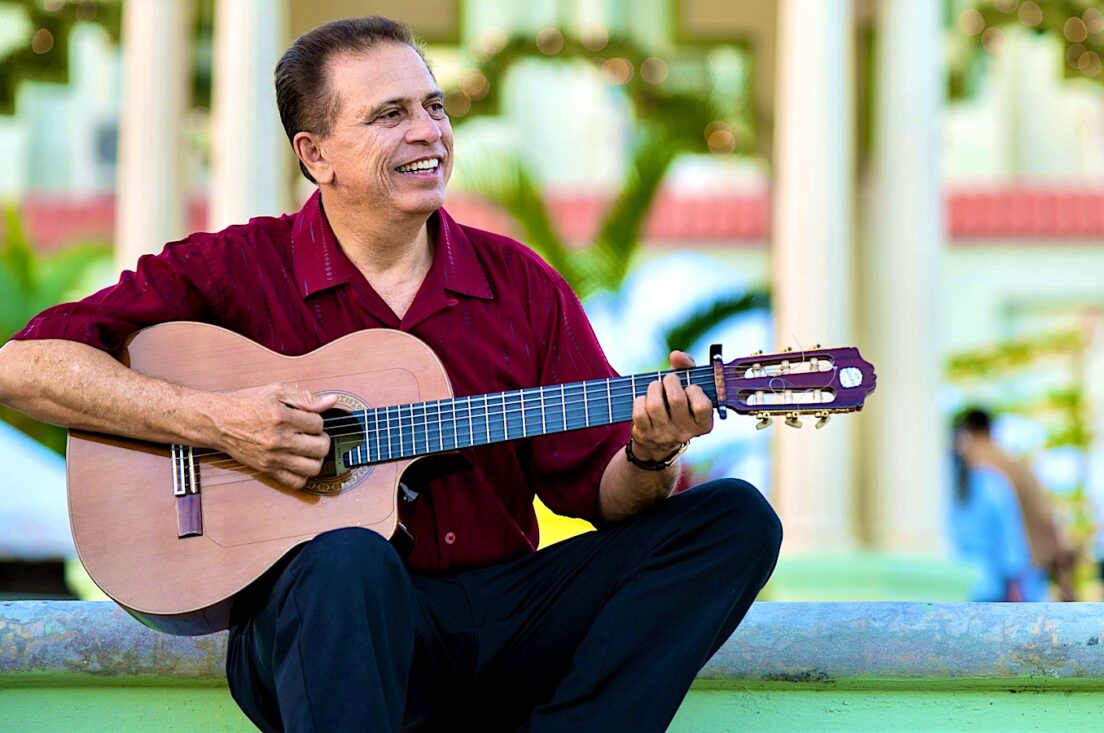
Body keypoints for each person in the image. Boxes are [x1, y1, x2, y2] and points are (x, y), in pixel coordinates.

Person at [0, 16, 782, 732]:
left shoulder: (522, 283)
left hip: (502, 613)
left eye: (435, 106)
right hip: (328, 628)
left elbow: (605, 496)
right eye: (390, 114)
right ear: (316, 155)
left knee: (736, 518)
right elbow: (25, 367)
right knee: (347, 554)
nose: (429, 132)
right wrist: (217, 421)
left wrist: (650, 453)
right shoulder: (236, 268)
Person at [955, 408, 1076, 601]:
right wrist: (1064, 579)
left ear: (964, 431)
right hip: (1026, 574)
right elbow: (1047, 518)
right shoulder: (1017, 466)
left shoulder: (967, 470)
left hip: (993, 581)